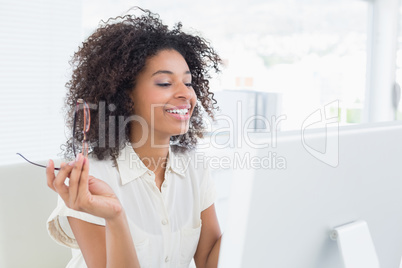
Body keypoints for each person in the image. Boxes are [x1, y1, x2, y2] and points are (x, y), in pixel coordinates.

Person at [45, 7, 222, 268]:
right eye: (164, 83)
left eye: (188, 82)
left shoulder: (195, 167)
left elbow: (209, 258)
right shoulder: (91, 179)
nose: (185, 94)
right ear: (124, 94)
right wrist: (116, 217)